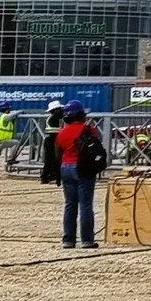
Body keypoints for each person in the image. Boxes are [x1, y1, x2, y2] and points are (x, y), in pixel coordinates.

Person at [55, 102, 107, 249]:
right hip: (83, 168)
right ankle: (87, 240)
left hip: (65, 167)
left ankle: (68, 240)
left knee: (70, 205)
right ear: (80, 115)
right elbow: (96, 144)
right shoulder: (88, 129)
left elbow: (58, 153)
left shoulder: (62, 132)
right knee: (85, 205)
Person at [40, 101, 65, 186]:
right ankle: (47, 176)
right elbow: (60, 114)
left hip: (51, 140)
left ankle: (48, 176)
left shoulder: (53, 117)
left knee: (50, 159)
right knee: (52, 159)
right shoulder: (54, 117)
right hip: (51, 140)